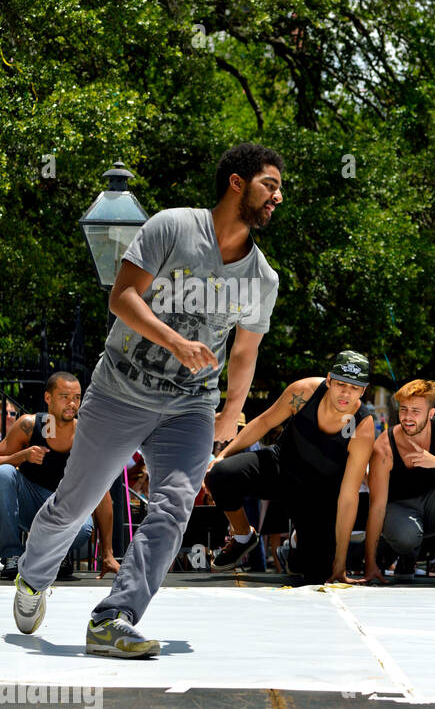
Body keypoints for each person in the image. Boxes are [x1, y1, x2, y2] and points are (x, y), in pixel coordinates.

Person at [12, 142, 281, 658]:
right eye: (270, 184)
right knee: (78, 502)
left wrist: (230, 410)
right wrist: (176, 342)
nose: (278, 197)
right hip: (120, 391)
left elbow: (244, 351)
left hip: (190, 406)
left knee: (174, 505)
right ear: (237, 183)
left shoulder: (261, 278)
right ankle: (32, 574)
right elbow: (122, 297)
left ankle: (114, 616)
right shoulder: (172, 228)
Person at [206, 352, 375, 584]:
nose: (346, 393)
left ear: (363, 391)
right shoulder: (303, 392)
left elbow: (348, 496)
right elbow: (264, 422)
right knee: (220, 474)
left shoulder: (362, 428)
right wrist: (223, 455)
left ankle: (295, 546)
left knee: (316, 574)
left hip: (317, 494)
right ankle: (244, 536)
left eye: (354, 388)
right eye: (341, 384)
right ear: (329, 380)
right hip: (280, 468)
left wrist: (340, 565)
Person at [0, 373, 121, 580]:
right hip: (28, 503)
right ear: (48, 398)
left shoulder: (86, 436)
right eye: (65, 396)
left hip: (62, 511)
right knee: (4, 473)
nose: (72, 403)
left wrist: (108, 554)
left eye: (77, 397)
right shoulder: (29, 425)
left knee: (84, 528)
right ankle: (12, 554)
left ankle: (55, 554)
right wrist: (21, 456)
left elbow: (102, 492)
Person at [362, 379, 435, 586]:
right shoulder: (384, 446)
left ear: (431, 414)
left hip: (434, 508)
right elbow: (377, 507)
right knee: (406, 537)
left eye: (416, 411)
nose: (408, 417)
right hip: (399, 509)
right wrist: (369, 564)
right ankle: (402, 553)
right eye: (404, 409)